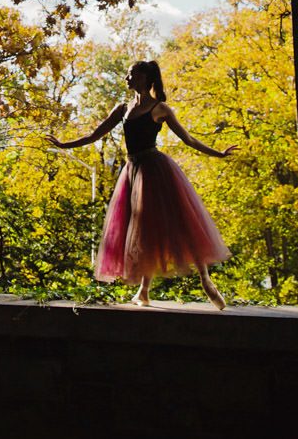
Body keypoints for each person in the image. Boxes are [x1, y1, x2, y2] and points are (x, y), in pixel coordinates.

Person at [48, 60, 235, 309]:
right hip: (132, 171)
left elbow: (188, 139)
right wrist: (64, 145)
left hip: (155, 170)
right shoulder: (123, 108)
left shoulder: (160, 109)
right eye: (127, 74)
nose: (126, 77)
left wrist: (219, 153)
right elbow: (95, 135)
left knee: (181, 222)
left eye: (131, 74)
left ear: (145, 77)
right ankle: (144, 291)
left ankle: (205, 279)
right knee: (143, 230)